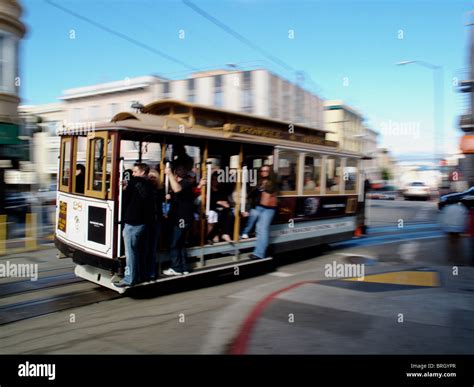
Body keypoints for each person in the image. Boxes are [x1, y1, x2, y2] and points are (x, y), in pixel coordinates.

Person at [114, 163, 154, 287]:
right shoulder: (150, 185)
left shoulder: (133, 182)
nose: (133, 174)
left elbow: (124, 198)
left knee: (130, 252)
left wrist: (124, 188)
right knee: (138, 251)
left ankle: (129, 279)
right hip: (143, 222)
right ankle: (140, 275)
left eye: (135, 171)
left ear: (142, 172)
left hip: (132, 222)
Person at [163, 165, 195, 275]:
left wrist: (169, 174)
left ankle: (176, 268)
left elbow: (177, 189)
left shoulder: (185, 183)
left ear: (176, 175)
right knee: (180, 243)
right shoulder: (184, 185)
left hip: (181, 220)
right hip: (181, 218)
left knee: (174, 243)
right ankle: (184, 267)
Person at [247, 165, 278, 259]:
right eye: (262, 171)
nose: (264, 172)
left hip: (268, 209)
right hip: (259, 207)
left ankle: (259, 253)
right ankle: (259, 250)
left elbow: (269, 196)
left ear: (270, 172)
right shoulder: (260, 181)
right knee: (258, 230)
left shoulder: (272, 183)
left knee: (263, 230)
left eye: (266, 171)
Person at [146, 168, 165, 281]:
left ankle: (151, 273)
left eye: (154, 177)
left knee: (151, 248)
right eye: (150, 177)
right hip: (146, 221)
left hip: (155, 221)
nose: (152, 179)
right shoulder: (146, 189)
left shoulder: (159, 190)